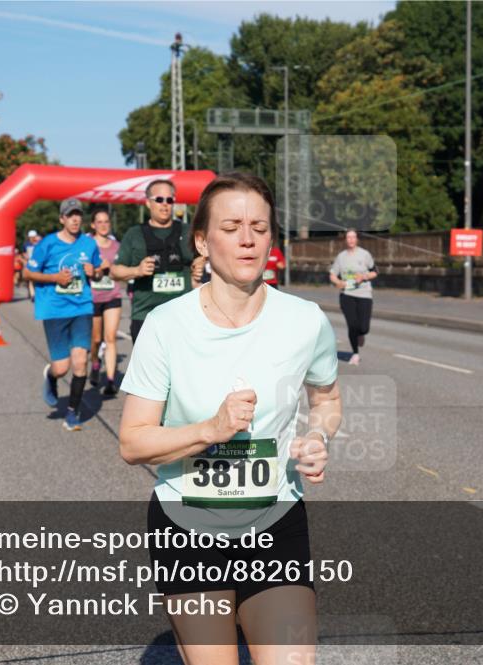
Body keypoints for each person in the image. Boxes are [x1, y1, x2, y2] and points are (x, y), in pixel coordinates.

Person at [118, 173, 342, 665]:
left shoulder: (305, 320)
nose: (247, 239)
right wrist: (210, 431)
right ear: (202, 240)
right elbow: (132, 443)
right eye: (233, 226)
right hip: (186, 525)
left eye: (259, 228)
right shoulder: (165, 325)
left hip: (275, 520)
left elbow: (327, 400)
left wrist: (316, 436)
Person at [22, 199, 108, 431]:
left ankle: (73, 412)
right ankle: (51, 376)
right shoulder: (47, 244)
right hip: (54, 310)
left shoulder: (88, 245)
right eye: (70, 215)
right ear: (62, 219)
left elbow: (98, 272)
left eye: (78, 214)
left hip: (82, 308)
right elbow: (27, 272)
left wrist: (96, 272)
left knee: (81, 362)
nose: (75, 219)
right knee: (62, 368)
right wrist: (54, 278)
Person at [110, 180, 205, 342]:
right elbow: (114, 272)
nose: (165, 204)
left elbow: (211, 251)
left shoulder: (187, 230)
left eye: (170, 200)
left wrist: (201, 261)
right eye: (159, 199)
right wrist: (137, 271)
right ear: (148, 203)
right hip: (145, 316)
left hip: (182, 316)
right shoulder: (134, 234)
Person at [87, 209, 123, 396]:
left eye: (106, 221)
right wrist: (99, 268)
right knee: (95, 339)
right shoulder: (87, 245)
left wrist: (115, 269)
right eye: (99, 222)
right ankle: (94, 362)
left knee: (110, 338)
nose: (103, 225)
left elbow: (122, 269)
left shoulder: (117, 246)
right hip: (92, 298)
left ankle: (110, 381)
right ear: (93, 225)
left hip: (112, 296)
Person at [329, 229, 377, 366]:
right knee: (352, 325)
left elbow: (375, 272)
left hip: (364, 294)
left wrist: (363, 276)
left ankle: (361, 334)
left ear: (357, 239)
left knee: (363, 327)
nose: (350, 240)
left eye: (353, 237)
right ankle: (355, 353)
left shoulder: (365, 254)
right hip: (347, 295)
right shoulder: (341, 257)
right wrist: (338, 282)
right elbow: (332, 274)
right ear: (345, 239)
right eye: (348, 237)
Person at [21, 229, 41, 301]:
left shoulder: (39, 243)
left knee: (38, 279)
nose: (32, 238)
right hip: (29, 263)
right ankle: (33, 295)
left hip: (38, 263)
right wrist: (25, 259)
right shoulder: (26, 244)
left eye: (33, 237)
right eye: (31, 237)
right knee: (31, 279)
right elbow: (23, 253)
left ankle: (36, 293)